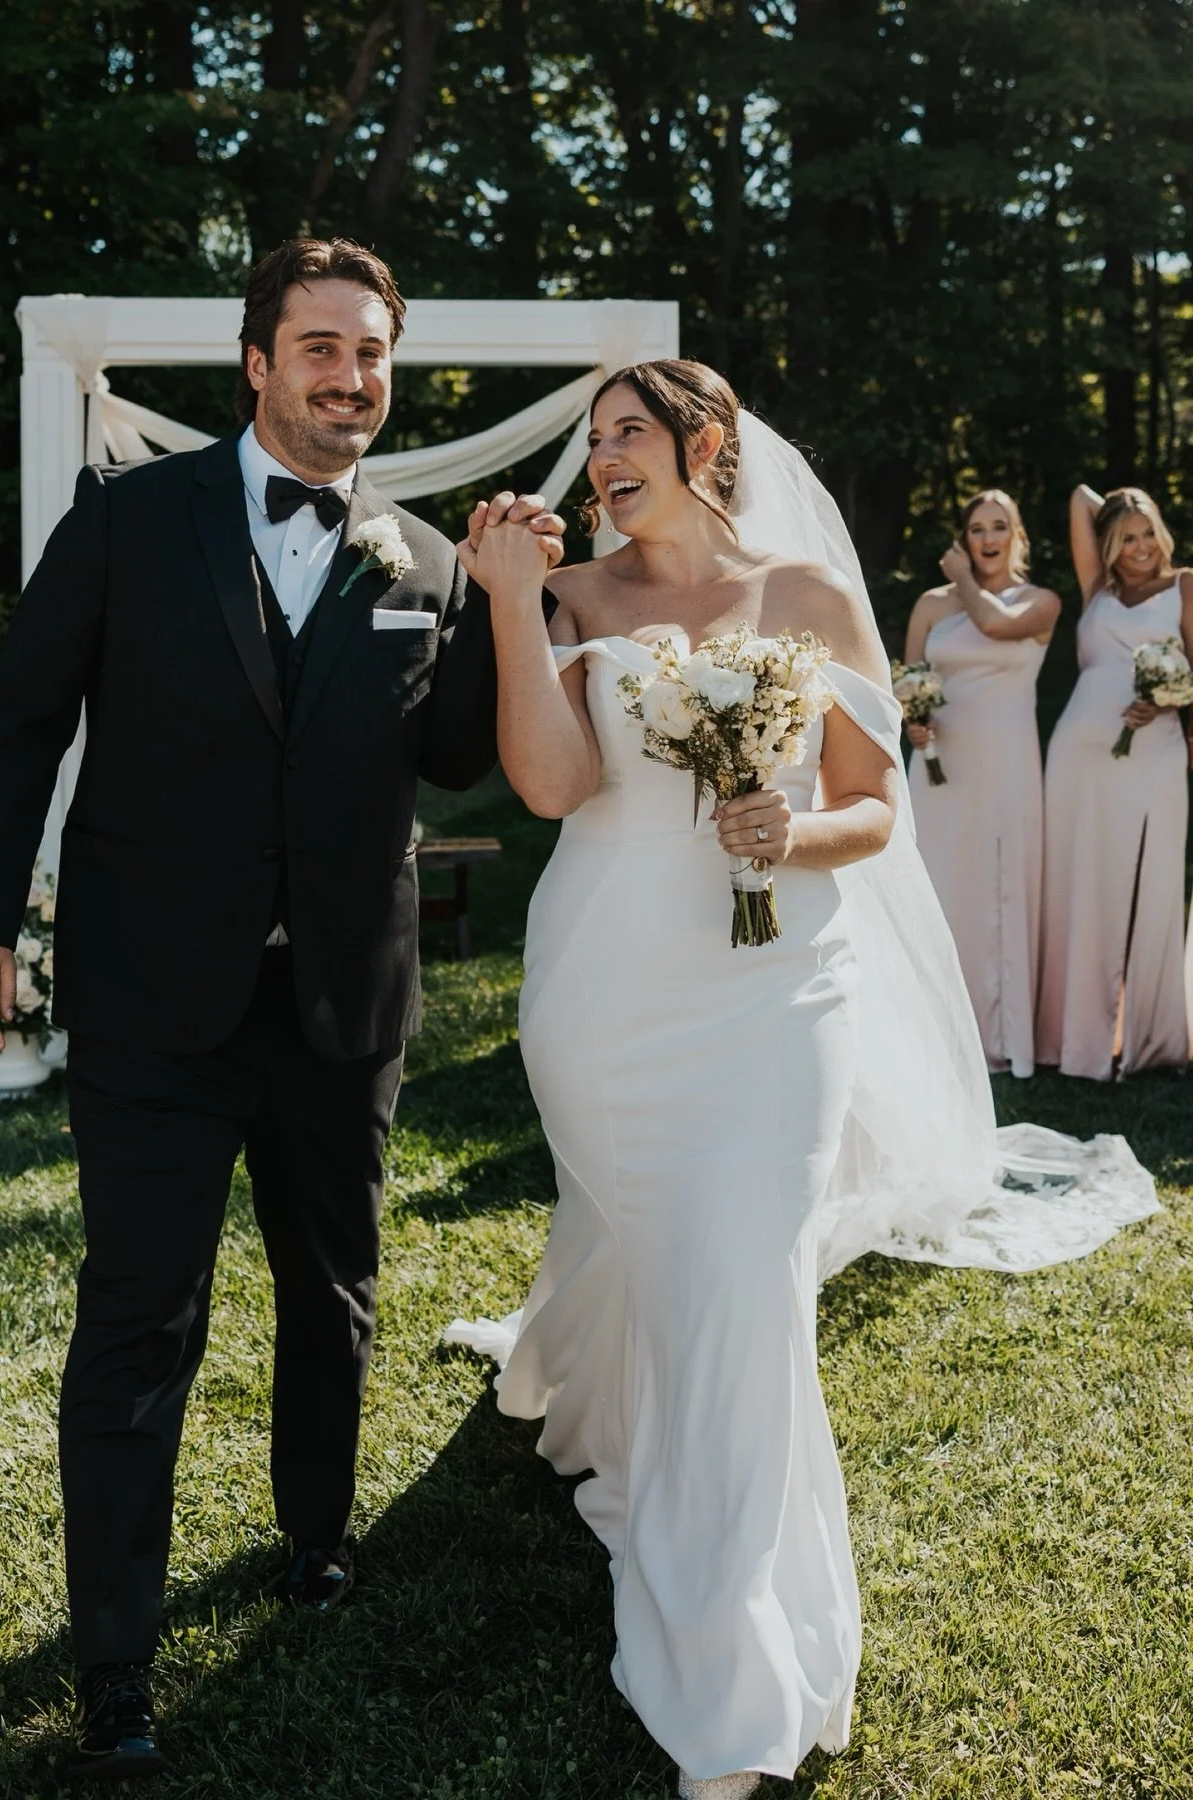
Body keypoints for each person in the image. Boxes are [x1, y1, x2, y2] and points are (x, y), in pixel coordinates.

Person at [447, 361, 1156, 1798]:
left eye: (627, 436)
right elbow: (546, 789)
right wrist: (517, 605)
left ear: (706, 447)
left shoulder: (816, 602)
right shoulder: (573, 597)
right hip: (608, 988)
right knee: (662, 1256)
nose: (602, 466)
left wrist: (790, 833)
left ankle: (725, 1653)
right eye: (593, 447)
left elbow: (879, 813)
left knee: (745, 1284)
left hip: (782, 996)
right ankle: (605, 1404)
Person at [0, 237, 565, 1785]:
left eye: (373, 356)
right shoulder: (128, 522)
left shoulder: (416, 556)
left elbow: (464, 760)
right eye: (323, 351)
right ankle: (114, 1667)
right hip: (155, 1002)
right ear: (259, 365)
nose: (352, 380)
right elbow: (19, 726)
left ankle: (316, 1535)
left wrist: (500, 597)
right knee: (139, 1322)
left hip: (345, 1004)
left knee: (332, 1296)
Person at [1036, 485, 1193, 1079]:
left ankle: (1155, 1042)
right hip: (1079, 756)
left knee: (1154, 884)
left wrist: (1170, 701)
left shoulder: (1184, 586)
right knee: (1082, 884)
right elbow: (1077, 498)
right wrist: (1124, 502)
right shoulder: (1096, 592)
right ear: (1109, 544)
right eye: (1127, 536)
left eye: (1149, 531)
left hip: (1156, 750)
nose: (1141, 546)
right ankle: (1076, 1038)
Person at [902, 491, 1059, 1077]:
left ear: (1017, 536)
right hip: (942, 768)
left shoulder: (1040, 601)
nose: (988, 539)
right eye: (976, 529)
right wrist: (912, 720)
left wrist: (962, 579)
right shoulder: (929, 606)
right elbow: (910, 679)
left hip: (1008, 766)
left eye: (999, 528)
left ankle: (1000, 1036)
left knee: (999, 885)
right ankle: (932, 1027)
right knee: (940, 883)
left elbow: (995, 624)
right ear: (963, 537)